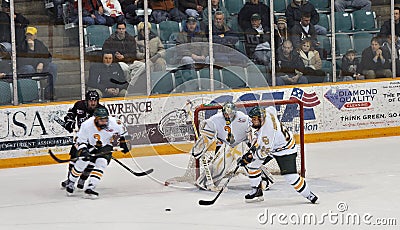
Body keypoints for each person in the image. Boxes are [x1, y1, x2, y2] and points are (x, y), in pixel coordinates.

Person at [239, 106, 318, 203]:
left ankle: (309, 195)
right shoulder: (268, 112)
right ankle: (257, 191)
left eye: (255, 119)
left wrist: (249, 157)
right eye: (252, 119)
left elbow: (262, 153)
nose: (252, 122)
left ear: (261, 119)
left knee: (291, 177)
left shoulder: (267, 134)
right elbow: (271, 108)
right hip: (274, 145)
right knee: (253, 167)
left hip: (285, 150)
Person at [191, 102, 273, 191]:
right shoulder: (215, 120)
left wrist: (254, 146)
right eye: (226, 114)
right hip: (228, 145)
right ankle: (206, 182)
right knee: (221, 162)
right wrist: (199, 148)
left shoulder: (243, 118)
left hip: (243, 144)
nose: (228, 116)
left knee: (245, 158)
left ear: (235, 112)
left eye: (230, 114)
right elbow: (206, 137)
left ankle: (264, 180)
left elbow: (252, 133)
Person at [65, 107, 129, 198]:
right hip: (89, 145)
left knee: (102, 163)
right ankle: (71, 182)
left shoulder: (115, 123)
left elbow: (125, 133)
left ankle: (91, 187)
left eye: (106, 119)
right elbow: (80, 140)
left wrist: (125, 142)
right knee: (82, 162)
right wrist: (83, 150)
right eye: (101, 120)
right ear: (95, 119)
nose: (104, 122)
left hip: (105, 145)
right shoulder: (86, 125)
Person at [60, 90, 108, 190]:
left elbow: (106, 125)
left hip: (94, 139)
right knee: (74, 157)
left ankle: (82, 179)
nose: (93, 103)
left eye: (95, 101)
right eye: (91, 100)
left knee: (91, 159)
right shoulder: (79, 105)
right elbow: (70, 115)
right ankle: (70, 179)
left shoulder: (101, 110)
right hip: (81, 138)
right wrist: (69, 121)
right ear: (86, 101)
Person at [18, 26, 57, 100]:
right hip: (26, 69)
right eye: (28, 35)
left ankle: (49, 92)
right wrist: (31, 50)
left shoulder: (40, 44)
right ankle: (30, 93)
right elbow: (22, 61)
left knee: (53, 67)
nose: (29, 37)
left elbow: (48, 57)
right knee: (29, 68)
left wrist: (42, 63)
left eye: (31, 35)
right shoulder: (21, 46)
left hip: (39, 68)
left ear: (35, 36)